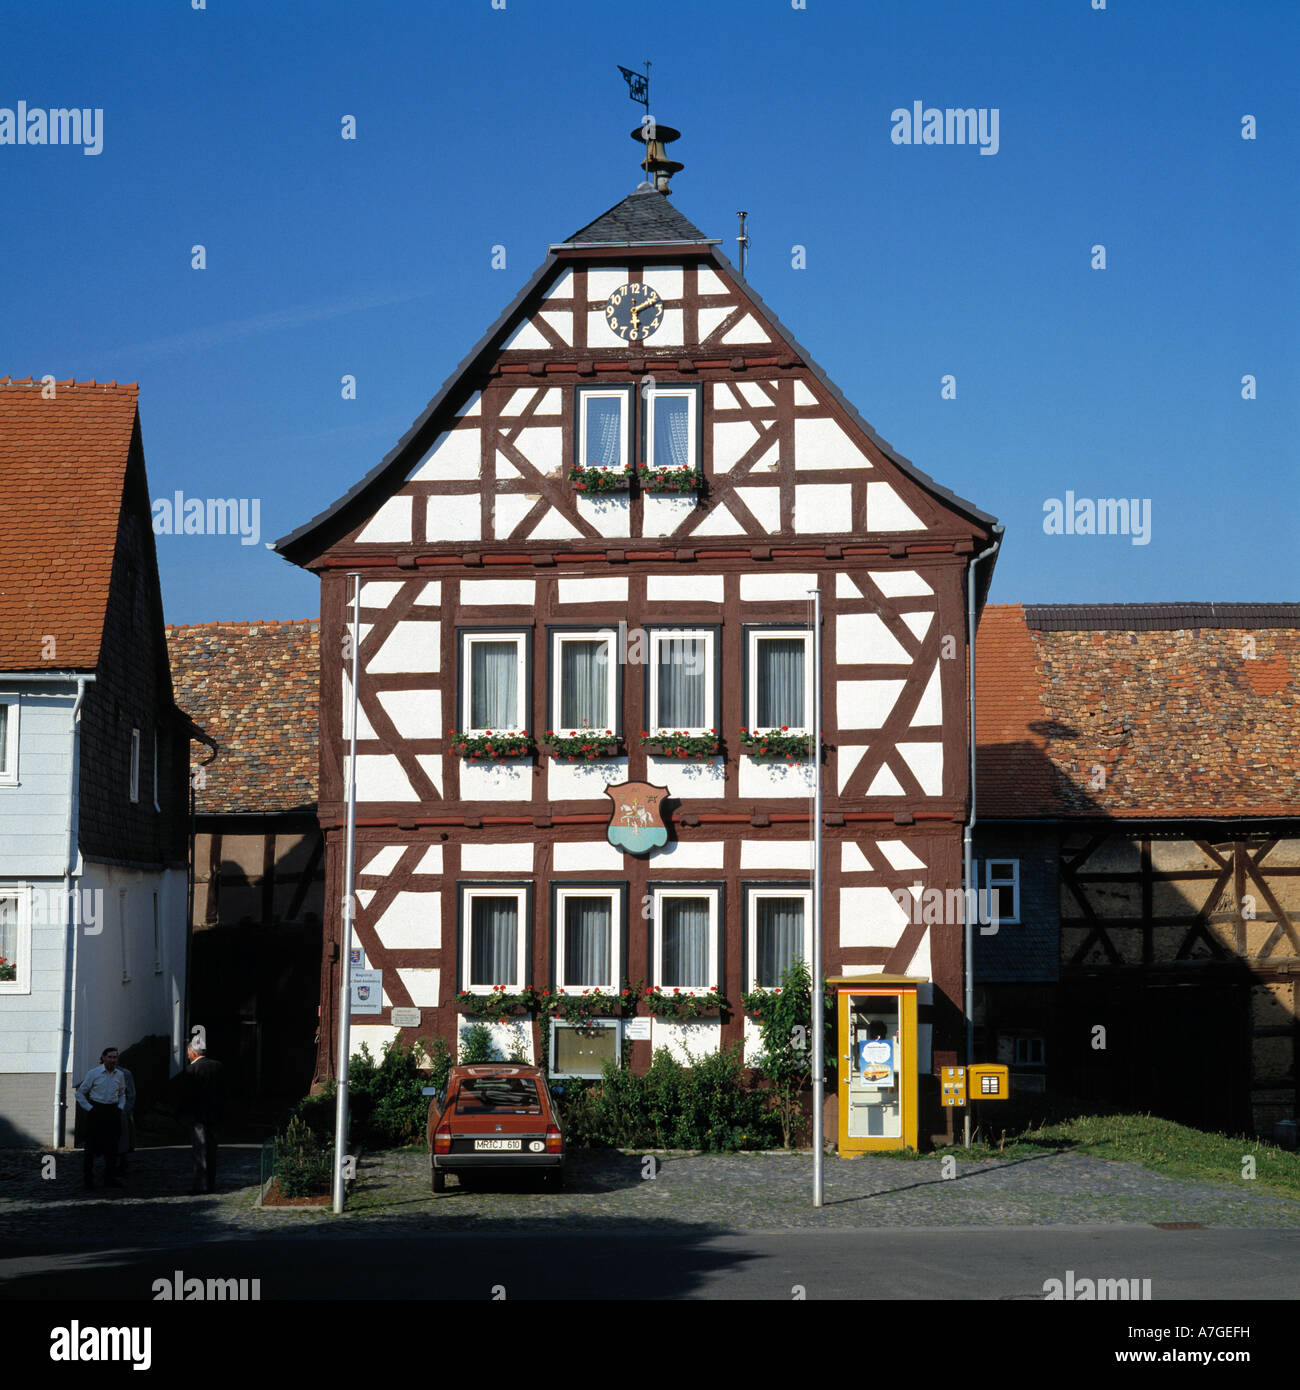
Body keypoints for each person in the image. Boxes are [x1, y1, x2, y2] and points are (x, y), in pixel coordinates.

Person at [75, 1047, 127, 1191]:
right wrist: (90, 1109)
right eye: (110, 1057)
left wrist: (120, 1107)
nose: (113, 1060)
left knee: (112, 1148)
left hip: (112, 1111)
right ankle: (88, 1181)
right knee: (91, 1148)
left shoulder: (120, 1075)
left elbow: (122, 1093)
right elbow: (80, 1093)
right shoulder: (93, 1073)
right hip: (96, 1111)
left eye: (115, 1057)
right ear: (103, 1058)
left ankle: (109, 1179)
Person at [180, 1040, 225, 1195]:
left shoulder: (191, 1070)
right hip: (215, 1115)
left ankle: (201, 1185)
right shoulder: (218, 1066)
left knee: (200, 1151)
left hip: (198, 1117)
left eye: (188, 1053)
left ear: (193, 1053)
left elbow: (187, 1096)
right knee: (212, 1150)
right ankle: (211, 1184)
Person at [117, 1063, 137, 1175]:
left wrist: (126, 1109)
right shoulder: (98, 1073)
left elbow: (131, 1093)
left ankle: (122, 1163)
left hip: (121, 1110)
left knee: (123, 1138)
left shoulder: (125, 1074)